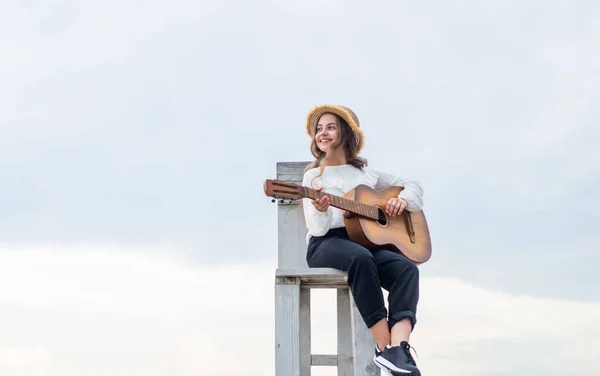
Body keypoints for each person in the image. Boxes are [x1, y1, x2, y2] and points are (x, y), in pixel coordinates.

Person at [301, 104, 424, 376]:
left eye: (330, 127)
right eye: (318, 129)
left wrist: (400, 201)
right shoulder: (313, 176)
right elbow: (318, 229)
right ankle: (385, 348)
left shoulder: (366, 174)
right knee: (360, 258)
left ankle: (400, 348)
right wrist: (322, 210)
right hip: (326, 244)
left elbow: (412, 184)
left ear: (346, 133)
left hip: (363, 243)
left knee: (407, 270)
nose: (323, 133)